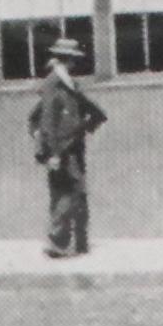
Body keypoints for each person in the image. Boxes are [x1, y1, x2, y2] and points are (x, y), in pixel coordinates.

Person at [27, 37, 107, 259]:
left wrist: (86, 125)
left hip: (72, 147)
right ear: (68, 60)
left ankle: (79, 243)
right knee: (70, 192)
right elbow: (45, 121)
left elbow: (92, 111)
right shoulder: (54, 84)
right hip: (61, 150)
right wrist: (51, 153)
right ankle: (57, 241)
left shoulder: (68, 84)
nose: (74, 63)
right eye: (72, 59)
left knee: (72, 193)